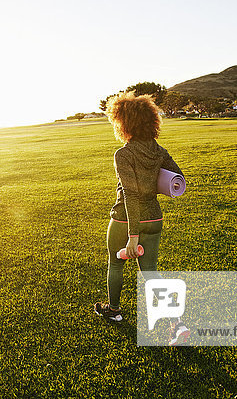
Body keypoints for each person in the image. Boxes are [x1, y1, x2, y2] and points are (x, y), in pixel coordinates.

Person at [94, 91, 190, 345]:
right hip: (154, 220)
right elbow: (177, 179)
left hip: (126, 221)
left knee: (115, 265)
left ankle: (113, 311)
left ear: (123, 123)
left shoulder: (123, 154)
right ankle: (177, 324)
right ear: (150, 121)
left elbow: (130, 194)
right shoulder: (159, 151)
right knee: (150, 273)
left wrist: (132, 236)